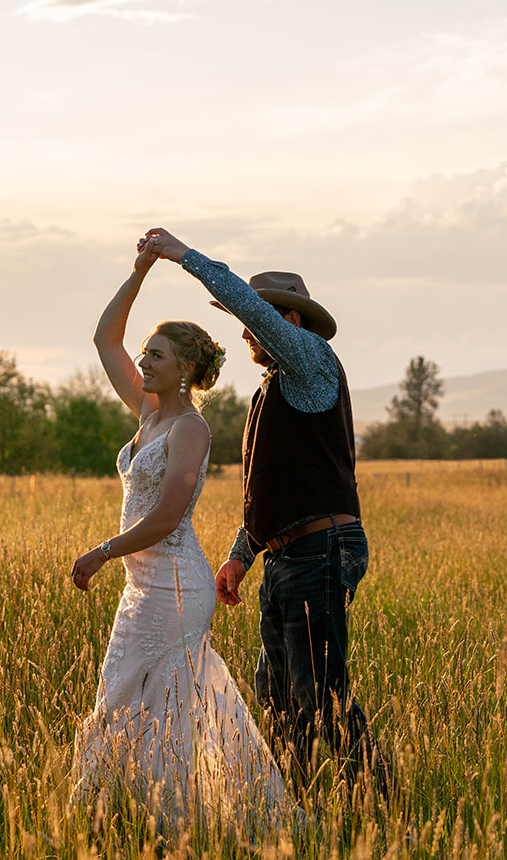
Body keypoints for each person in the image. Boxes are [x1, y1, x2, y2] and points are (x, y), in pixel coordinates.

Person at [139, 228, 393, 800]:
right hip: (286, 557)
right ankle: (297, 814)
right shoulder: (274, 389)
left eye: (260, 318)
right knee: (278, 698)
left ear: (291, 323)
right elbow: (269, 489)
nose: (247, 328)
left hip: (319, 552)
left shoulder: (312, 361)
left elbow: (248, 302)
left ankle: (387, 809)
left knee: (320, 692)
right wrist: (239, 556)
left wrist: (183, 256)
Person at [68, 240, 296, 835]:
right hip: (141, 586)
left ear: (188, 370)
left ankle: (173, 826)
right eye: (146, 353)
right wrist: (139, 270)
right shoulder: (147, 412)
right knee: (118, 696)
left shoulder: (189, 429)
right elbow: (104, 340)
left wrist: (101, 551)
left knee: (163, 706)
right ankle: (119, 817)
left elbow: (169, 515)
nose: (144, 362)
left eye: (158, 356)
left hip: (176, 583)